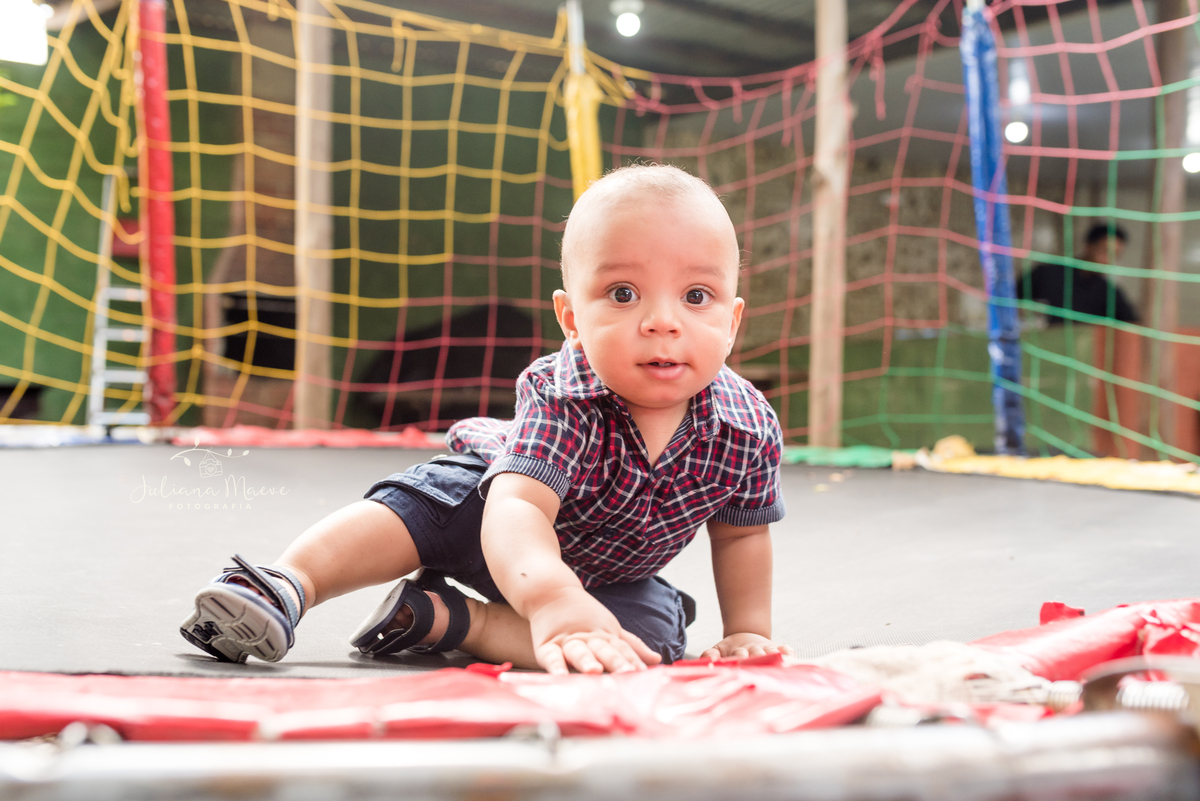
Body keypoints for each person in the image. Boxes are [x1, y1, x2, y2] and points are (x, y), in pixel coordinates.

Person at [181, 164, 793, 674]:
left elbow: (741, 534)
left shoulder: (746, 427)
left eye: (695, 296)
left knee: (651, 642)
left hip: (604, 572)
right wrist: (552, 596)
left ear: (732, 321)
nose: (663, 321)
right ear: (571, 318)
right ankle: (288, 585)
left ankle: (445, 619)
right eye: (624, 294)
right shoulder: (563, 393)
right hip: (490, 517)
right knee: (421, 509)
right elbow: (518, 512)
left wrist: (746, 630)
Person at [1018, 223, 1139, 325]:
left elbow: (1131, 323)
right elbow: (1011, 302)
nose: (1107, 260)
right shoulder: (1046, 274)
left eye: (1115, 255)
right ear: (1089, 246)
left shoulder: (1109, 292)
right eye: (1105, 252)